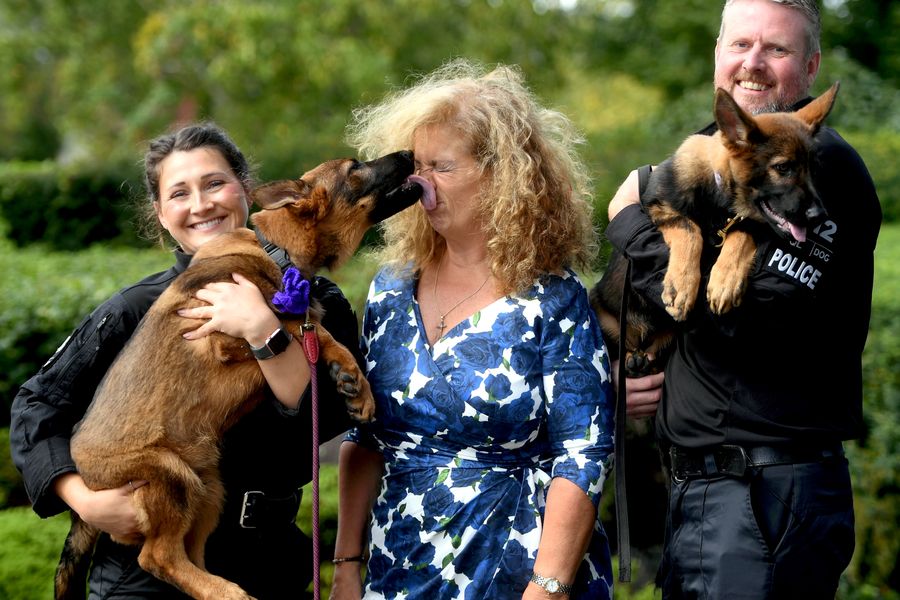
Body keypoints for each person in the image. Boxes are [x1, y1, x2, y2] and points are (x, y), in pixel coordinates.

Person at [10, 122, 359, 599]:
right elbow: (35, 406)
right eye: (179, 193)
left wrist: (263, 331)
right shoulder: (136, 308)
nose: (201, 204)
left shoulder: (317, 300)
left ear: (247, 190)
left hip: (270, 561)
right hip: (142, 580)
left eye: (215, 183)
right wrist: (84, 500)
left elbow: (328, 420)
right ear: (160, 213)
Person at [606, 1, 882, 597]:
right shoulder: (719, 156)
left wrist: (629, 222)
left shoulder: (813, 164)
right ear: (716, 55)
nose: (752, 65)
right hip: (707, 499)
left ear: (810, 68)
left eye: (776, 50)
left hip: (763, 497)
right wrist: (631, 372)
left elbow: (746, 317)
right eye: (739, 45)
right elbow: (657, 306)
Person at [328, 60, 615, 600]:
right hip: (401, 564)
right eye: (417, 164)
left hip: (516, 564)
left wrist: (548, 586)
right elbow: (365, 435)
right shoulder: (391, 289)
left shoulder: (553, 297)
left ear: (502, 175)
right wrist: (346, 562)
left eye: (442, 166)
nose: (419, 181)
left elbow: (585, 451)